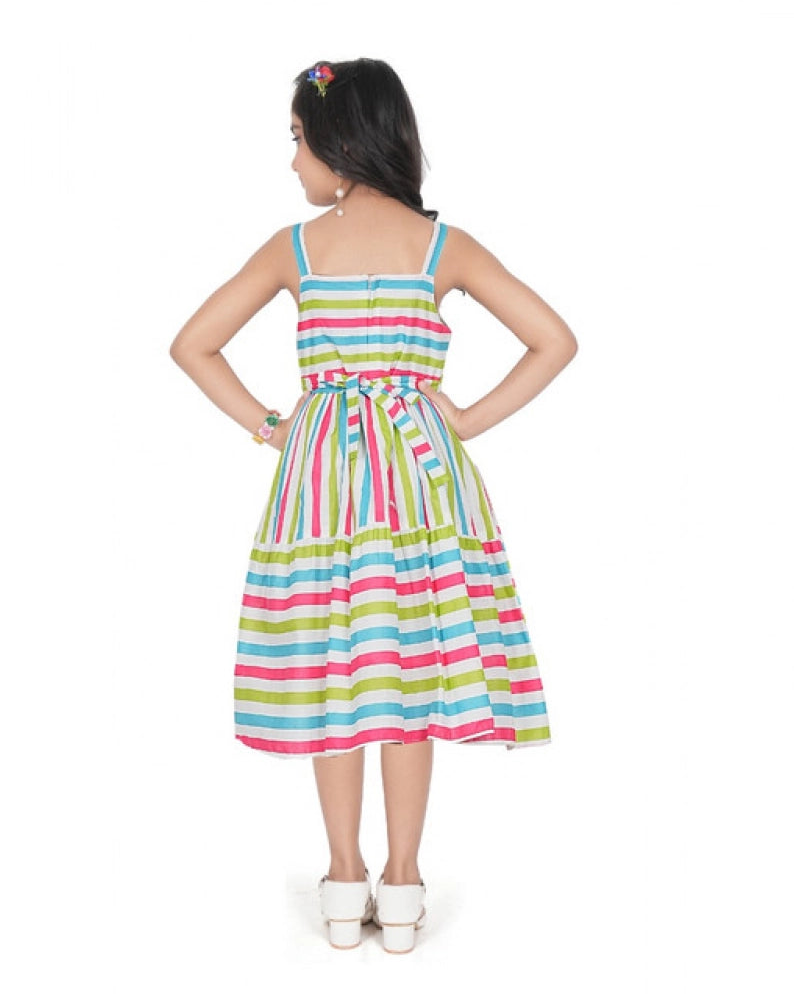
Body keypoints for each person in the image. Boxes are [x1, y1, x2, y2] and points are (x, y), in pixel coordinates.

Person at [169, 57, 578, 954]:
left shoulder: (295, 248)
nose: (292, 161)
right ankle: (401, 887)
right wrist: (461, 419)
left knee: (334, 674)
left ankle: (342, 881)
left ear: (340, 140)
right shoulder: (443, 246)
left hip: (322, 487)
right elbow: (554, 339)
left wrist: (275, 428)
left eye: (297, 139)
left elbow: (192, 344)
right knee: (406, 677)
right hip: (421, 489)